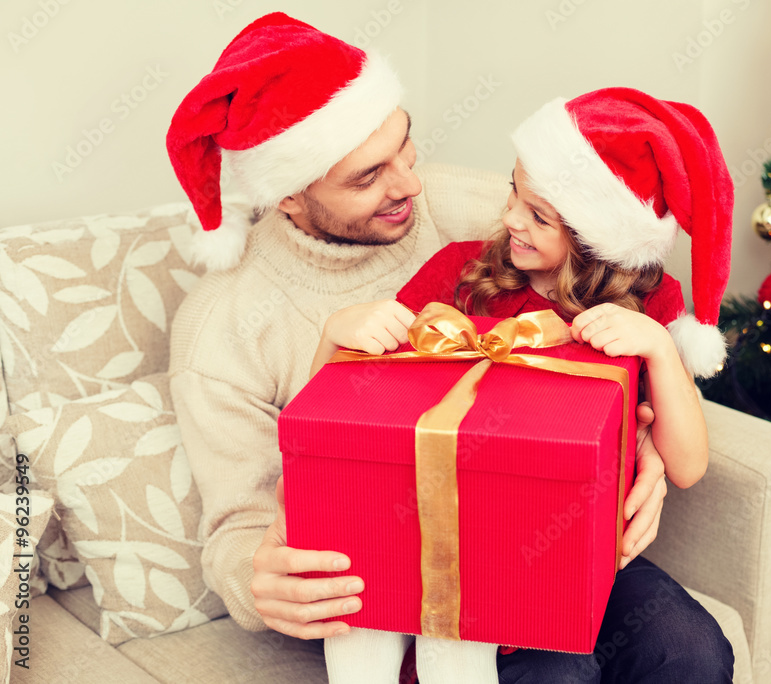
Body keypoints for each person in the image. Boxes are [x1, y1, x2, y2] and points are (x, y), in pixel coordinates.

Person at [165, 12, 675, 682]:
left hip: (546, 527)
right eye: (368, 176)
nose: (410, 183)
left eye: (406, 146)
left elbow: (608, 271)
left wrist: (647, 448)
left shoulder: (468, 208)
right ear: (287, 196)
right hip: (406, 586)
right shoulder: (223, 327)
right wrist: (258, 579)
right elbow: (238, 529)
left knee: (686, 649)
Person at [312, 88, 736, 684]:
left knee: (692, 648)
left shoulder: (650, 303)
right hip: (469, 555)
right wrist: (339, 338)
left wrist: (660, 349)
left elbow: (687, 466)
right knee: (558, 672)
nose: (511, 217)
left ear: (598, 239)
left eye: (539, 215)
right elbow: (352, 411)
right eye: (514, 191)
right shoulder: (461, 276)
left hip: (588, 555)